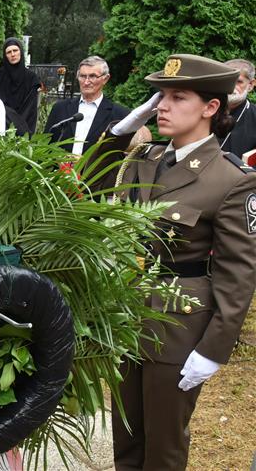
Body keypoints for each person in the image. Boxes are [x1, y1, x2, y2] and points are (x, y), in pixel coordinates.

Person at [86, 54, 256, 471]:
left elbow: (239, 274)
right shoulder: (147, 158)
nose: (162, 105)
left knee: (163, 447)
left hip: (179, 324)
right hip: (129, 317)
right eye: (160, 96)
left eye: (178, 97)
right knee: (126, 442)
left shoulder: (231, 179)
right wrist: (119, 131)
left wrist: (214, 349)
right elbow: (88, 185)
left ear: (211, 107)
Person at [44, 55, 129, 155]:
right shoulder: (60, 108)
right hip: (60, 169)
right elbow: (46, 145)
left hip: (97, 170)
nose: (86, 82)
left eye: (92, 76)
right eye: (82, 76)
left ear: (105, 79)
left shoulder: (119, 114)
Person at [0, 37, 40, 134]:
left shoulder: (31, 78)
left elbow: (30, 109)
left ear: (20, 51)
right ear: (5, 55)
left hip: (25, 131)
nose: (12, 54)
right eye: (8, 52)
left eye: (15, 50)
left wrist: (21, 131)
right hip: (2, 129)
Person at [220, 58, 256, 160]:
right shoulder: (205, 109)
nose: (231, 87)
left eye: (239, 82)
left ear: (251, 85)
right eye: (227, 80)